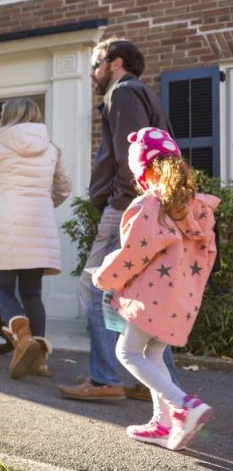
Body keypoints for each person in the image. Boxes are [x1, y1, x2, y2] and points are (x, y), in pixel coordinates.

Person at [58, 38, 180, 401]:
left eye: (96, 63)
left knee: (93, 286)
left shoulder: (123, 93)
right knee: (139, 293)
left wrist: (119, 200)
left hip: (127, 206)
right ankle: (154, 381)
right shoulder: (143, 94)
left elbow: (134, 153)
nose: (93, 73)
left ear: (115, 62)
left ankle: (105, 379)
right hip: (144, 204)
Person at [92, 127, 217, 450]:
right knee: (153, 352)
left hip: (151, 297)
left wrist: (104, 278)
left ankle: (184, 405)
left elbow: (133, 253)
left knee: (127, 352)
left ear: (144, 169)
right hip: (181, 298)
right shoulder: (200, 208)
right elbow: (207, 257)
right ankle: (163, 423)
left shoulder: (150, 204)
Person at [0, 97, 71, 379]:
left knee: (3, 289)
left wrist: (3, 196)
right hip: (40, 221)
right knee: (32, 293)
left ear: (8, 116)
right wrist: (43, 200)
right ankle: (40, 360)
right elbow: (64, 187)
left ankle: (21, 335)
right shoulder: (51, 148)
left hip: (8, 220)